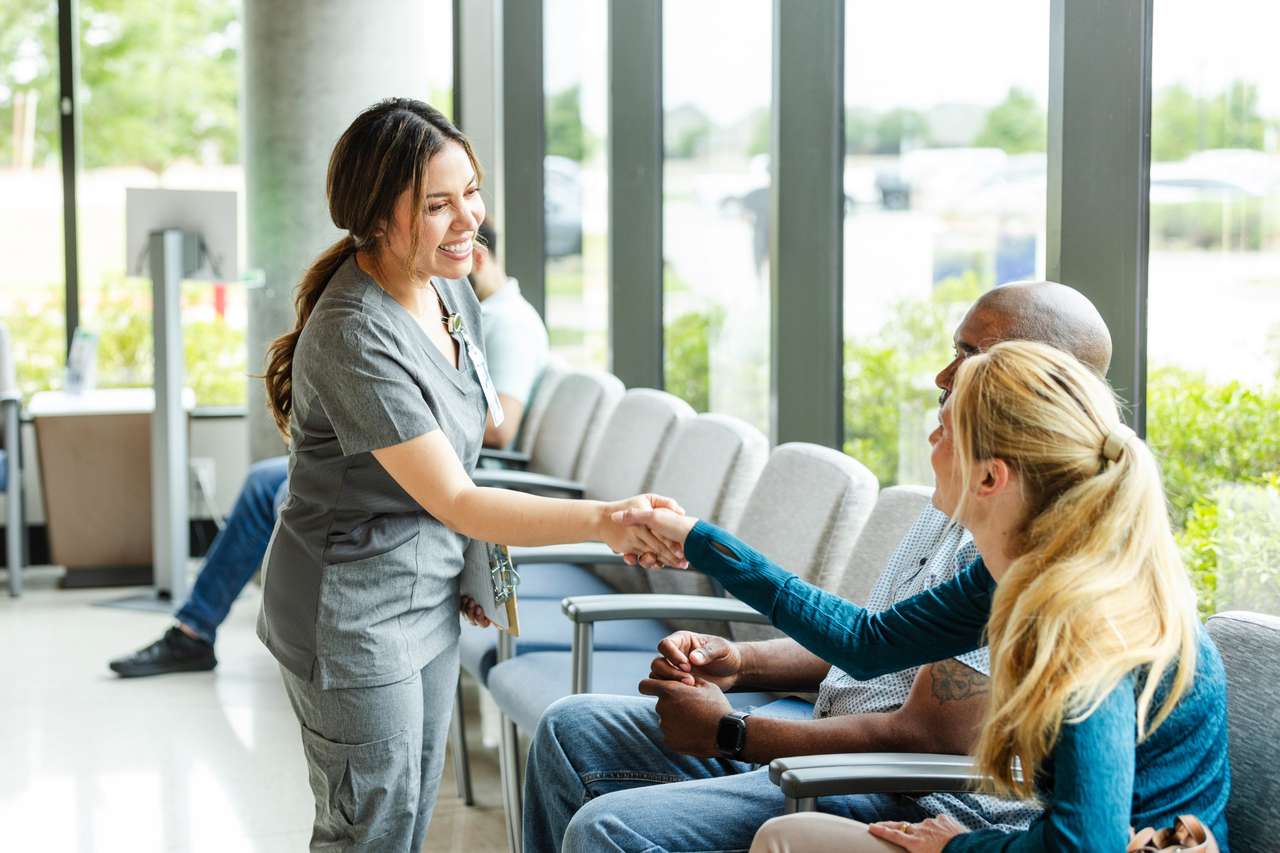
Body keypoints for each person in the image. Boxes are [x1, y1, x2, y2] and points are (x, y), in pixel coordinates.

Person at [522, 281, 1112, 852]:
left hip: (903, 790)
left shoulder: (1036, 561)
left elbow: (930, 740)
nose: (942, 378)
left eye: (968, 357)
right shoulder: (961, 505)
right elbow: (871, 640)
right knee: (572, 729)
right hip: (828, 726)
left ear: (1037, 383)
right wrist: (742, 661)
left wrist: (734, 733)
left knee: (609, 828)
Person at [255, 98, 684, 853]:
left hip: (425, 598)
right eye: (438, 204)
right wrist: (604, 519)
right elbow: (455, 494)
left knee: (410, 814)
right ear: (376, 215)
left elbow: (458, 453)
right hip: (353, 620)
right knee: (368, 830)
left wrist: (472, 570)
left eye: (472, 194)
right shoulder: (355, 334)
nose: (470, 221)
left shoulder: (448, 291)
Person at [626, 341, 1229, 852]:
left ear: (991, 477)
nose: (931, 436)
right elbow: (865, 643)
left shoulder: (1088, 621)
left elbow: (1087, 843)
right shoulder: (1019, 570)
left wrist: (960, 847)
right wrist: (697, 542)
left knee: (791, 838)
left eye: (947, 427)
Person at [106, 219, 549, 678]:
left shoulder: (507, 324)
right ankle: (195, 629)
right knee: (267, 481)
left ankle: (203, 628)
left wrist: (404, 409)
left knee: (294, 497)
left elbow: (501, 428)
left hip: (457, 468)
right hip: (408, 456)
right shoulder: (391, 312)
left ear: (476, 256)